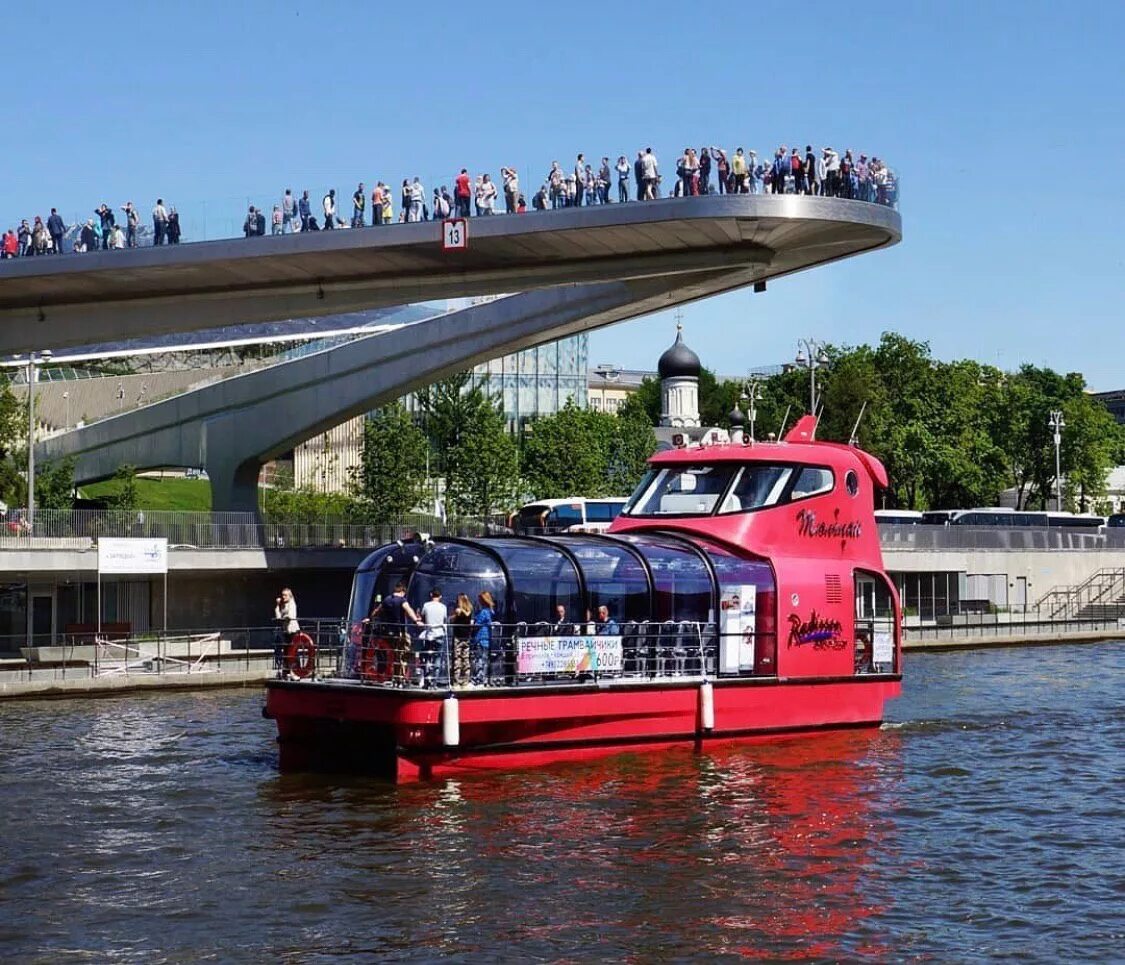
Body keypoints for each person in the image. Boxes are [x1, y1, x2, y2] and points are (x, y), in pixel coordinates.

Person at [419, 587, 448, 688]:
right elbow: (444, 619)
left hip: (429, 634)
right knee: (438, 658)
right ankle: (434, 682)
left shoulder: (426, 605)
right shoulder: (443, 607)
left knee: (427, 657)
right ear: (440, 596)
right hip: (439, 634)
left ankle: (427, 681)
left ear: (431, 594)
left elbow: (422, 617)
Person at [273, 588, 299, 677]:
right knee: (286, 651)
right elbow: (278, 616)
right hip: (286, 631)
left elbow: (291, 615)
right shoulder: (283, 605)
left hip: (292, 630)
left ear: (289, 596)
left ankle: (294, 671)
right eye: (282, 595)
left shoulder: (292, 603)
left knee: (293, 651)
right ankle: (286, 671)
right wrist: (277, 605)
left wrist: (285, 617)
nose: (283, 597)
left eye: (285, 595)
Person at [471, 591, 494, 685]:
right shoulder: (490, 611)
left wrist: (472, 624)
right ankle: (484, 678)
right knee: (485, 658)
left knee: (480, 658)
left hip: (480, 637)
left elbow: (477, 624)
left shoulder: (484, 612)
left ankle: (479, 678)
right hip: (487, 638)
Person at [450, 593, 473, 686]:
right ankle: (466, 680)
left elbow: (451, 620)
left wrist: (452, 616)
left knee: (457, 659)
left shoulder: (458, 611)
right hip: (466, 637)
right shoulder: (470, 610)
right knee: (466, 659)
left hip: (458, 637)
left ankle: (456, 681)